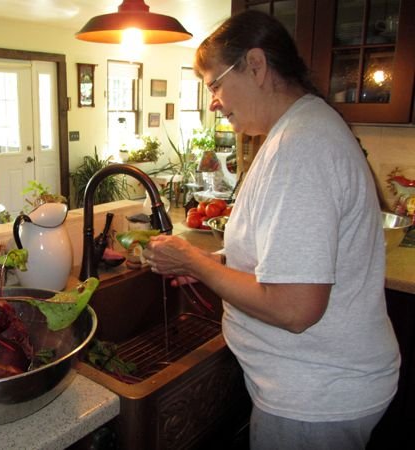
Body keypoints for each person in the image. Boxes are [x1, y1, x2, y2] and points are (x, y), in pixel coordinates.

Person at [143, 10, 400, 450]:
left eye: (215, 84)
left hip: (313, 398)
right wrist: (210, 262)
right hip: (314, 385)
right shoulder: (298, 131)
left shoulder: (301, 147)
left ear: (256, 65)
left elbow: (294, 308)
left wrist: (195, 264)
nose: (214, 102)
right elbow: (282, 258)